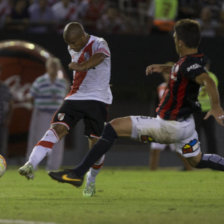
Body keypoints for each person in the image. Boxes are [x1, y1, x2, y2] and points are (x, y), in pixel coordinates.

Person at [48, 19, 224, 188]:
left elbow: (208, 80)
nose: (174, 40)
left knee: (111, 128)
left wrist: (216, 106)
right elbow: (186, 71)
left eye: (174, 37)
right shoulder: (195, 59)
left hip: (169, 126)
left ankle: (77, 174)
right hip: (187, 127)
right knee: (197, 160)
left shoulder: (189, 65)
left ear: (180, 42)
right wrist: (164, 68)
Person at [18, 22, 112, 197]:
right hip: (75, 97)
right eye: (69, 43)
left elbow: (99, 56)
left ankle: (90, 182)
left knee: (96, 145)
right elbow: (90, 60)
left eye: (74, 43)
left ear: (83, 37)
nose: (71, 47)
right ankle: (31, 164)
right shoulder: (74, 47)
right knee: (57, 129)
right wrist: (82, 65)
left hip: (98, 100)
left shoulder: (100, 42)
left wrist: (82, 66)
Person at [26, 57, 68, 170]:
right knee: (37, 140)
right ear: (47, 67)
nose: (54, 68)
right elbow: (31, 97)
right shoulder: (40, 81)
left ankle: (53, 168)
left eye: (56, 66)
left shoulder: (63, 83)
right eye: (52, 66)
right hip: (42, 113)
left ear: (58, 68)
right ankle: (31, 166)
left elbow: (64, 98)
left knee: (57, 141)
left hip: (57, 116)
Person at [149, 62, 192, 171]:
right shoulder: (160, 87)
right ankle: (152, 173)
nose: (167, 75)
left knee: (179, 150)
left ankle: (191, 170)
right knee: (155, 149)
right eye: (165, 73)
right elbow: (156, 106)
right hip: (160, 123)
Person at [194, 59, 218, 154]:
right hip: (196, 111)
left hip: (208, 110)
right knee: (194, 137)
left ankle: (214, 160)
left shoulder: (210, 77)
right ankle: (194, 160)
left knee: (210, 136)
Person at [0, 65, 13, 156]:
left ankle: (1, 168)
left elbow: (11, 104)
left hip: (2, 122)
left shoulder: (5, 87)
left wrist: (8, 118)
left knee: (2, 148)